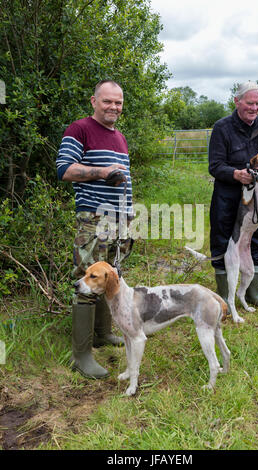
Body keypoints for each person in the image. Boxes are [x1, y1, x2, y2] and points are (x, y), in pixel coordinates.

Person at [56, 80, 134, 379]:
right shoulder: (80, 129)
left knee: (111, 276)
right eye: (107, 101)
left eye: (118, 102)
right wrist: (102, 172)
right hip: (93, 219)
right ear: (94, 101)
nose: (114, 107)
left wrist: (128, 216)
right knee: (87, 281)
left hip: (120, 219)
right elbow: (64, 169)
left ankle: (102, 334)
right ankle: (82, 355)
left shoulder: (120, 137)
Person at [209, 81, 258, 309]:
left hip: (257, 198)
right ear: (237, 101)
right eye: (249, 103)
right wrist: (235, 174)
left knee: (257, 239)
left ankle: (254, 294)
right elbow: (215, 165)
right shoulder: (222, 127)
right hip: (228, 197)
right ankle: (223, 299)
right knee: (222, 240)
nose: (254, 108)